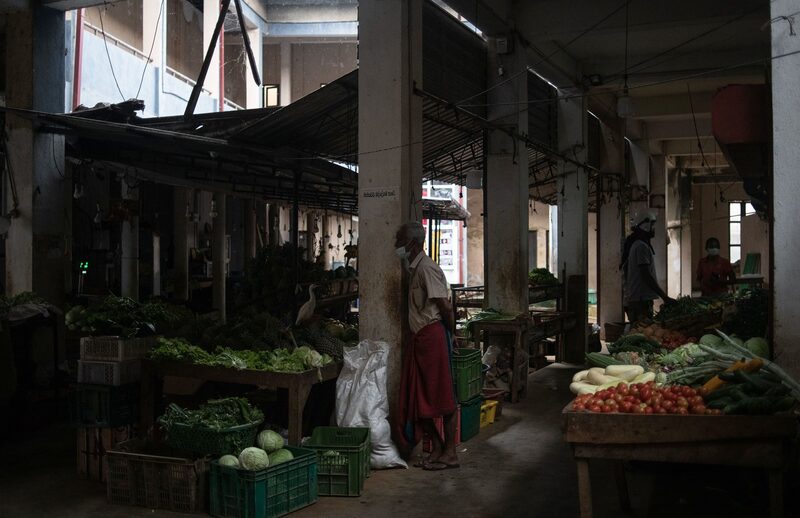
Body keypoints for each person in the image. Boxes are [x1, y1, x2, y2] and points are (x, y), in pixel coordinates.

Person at [394, 221, 459, 471]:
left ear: (412, 243)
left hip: (432, 337)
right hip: (420, 339)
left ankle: (451, 453)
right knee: (419, 399)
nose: (395, 244)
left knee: (443, 397)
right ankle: (440, 448)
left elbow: (445, 306)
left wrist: (451, 335)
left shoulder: (427, 269)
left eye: (399, 239)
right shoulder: (415, 269)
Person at [620, 212, 674, 323]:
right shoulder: (641, 246)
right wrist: (664, 297)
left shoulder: (639, 244)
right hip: (641, 300)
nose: (654, 229)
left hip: (639, 299)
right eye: (652, 225)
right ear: (645, 225)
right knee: (642, 332)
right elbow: (645, 274)